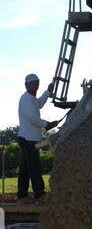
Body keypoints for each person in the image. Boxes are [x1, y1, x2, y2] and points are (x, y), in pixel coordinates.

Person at [17, 74, 58, 204]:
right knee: (34, 167)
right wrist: (47, 124)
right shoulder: (26, 99)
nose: (36, 85)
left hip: (29, 139)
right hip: (29, 140)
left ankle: (22, 195)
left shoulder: (31, 98)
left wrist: (48, 92)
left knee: (25, 169)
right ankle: (39, 194)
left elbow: (39, 104)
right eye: (33, 83)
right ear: (26, 85)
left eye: (37, 82)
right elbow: (32, 118)